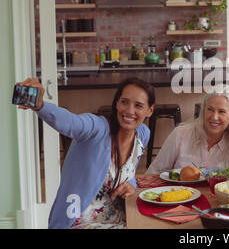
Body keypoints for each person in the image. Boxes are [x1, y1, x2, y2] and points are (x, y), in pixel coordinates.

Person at [16, 77, 155, 229]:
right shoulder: (97, 128)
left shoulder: (142, 135)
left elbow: (129, 173)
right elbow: (71, 122)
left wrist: (130, 185)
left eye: (138, 105)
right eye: (124, 102)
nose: (129, 110)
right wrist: (40, 106)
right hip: (80, 221)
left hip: (119, 217)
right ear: (116, 103)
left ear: (150, 110)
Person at [146, 86, 229, 174]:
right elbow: (154, 172)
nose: (214, 117)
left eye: (221, 111)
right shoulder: (180, 134)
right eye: (210, 109)